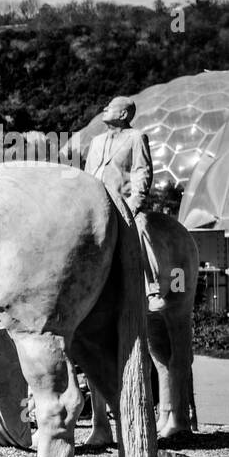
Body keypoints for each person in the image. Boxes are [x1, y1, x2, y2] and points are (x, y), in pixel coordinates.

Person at [82, 96, 164, 312]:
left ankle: (151, 289)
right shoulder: (96, 142)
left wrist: (134, 203)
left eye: (110, 107)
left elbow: (141, 171)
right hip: (94, 202)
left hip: (124, 203)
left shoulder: (136, 137)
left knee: (141, 228)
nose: (105, 108)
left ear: (123, 114)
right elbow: (88, 174)